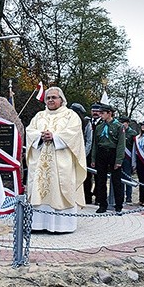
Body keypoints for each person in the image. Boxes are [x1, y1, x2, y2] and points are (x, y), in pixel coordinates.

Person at [25, 87, 87, 232]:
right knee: (39, 190)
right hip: (40, 163)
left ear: (61, 99)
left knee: (59, 190)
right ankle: (37, 225)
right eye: (48, 98)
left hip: (61, 163)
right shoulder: (39, 116)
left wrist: (55, 137)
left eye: (54, 97)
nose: (51, 100)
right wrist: (39, 136)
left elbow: (74, 133)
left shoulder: (70, 115)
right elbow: (29, 131)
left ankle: (62, 227)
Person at [91, 103, 125, 214]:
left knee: (116, 181)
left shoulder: (118, 126)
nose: (100, 115)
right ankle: (102, 204)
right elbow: (95, 144)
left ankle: (118, 205)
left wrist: (119, 160)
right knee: (101, 181)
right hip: (101, 154)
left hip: (113, 153)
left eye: (102, 113)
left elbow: (121, 144)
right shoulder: (99, 126)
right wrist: (93, 159)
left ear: (109, 113)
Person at [83, 103, 102, 204]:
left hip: (99, 154)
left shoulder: (103, 123)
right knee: (86, 177)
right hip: (88, 154)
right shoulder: (86, 122)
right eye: (93, 110)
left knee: (99, 177)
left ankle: (98, 198)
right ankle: (87, 197)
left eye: (97, 111)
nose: (95, 112)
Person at [119, 116, 138, 204]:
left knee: (127, 178)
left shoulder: (132, 133)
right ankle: (121, 196)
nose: (122, 124)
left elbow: (135, 148)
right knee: (120, 178)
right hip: (120, 158)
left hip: (128, 158)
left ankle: (129, 197)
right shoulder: (119, 131)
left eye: (123, 122)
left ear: (127, 123)